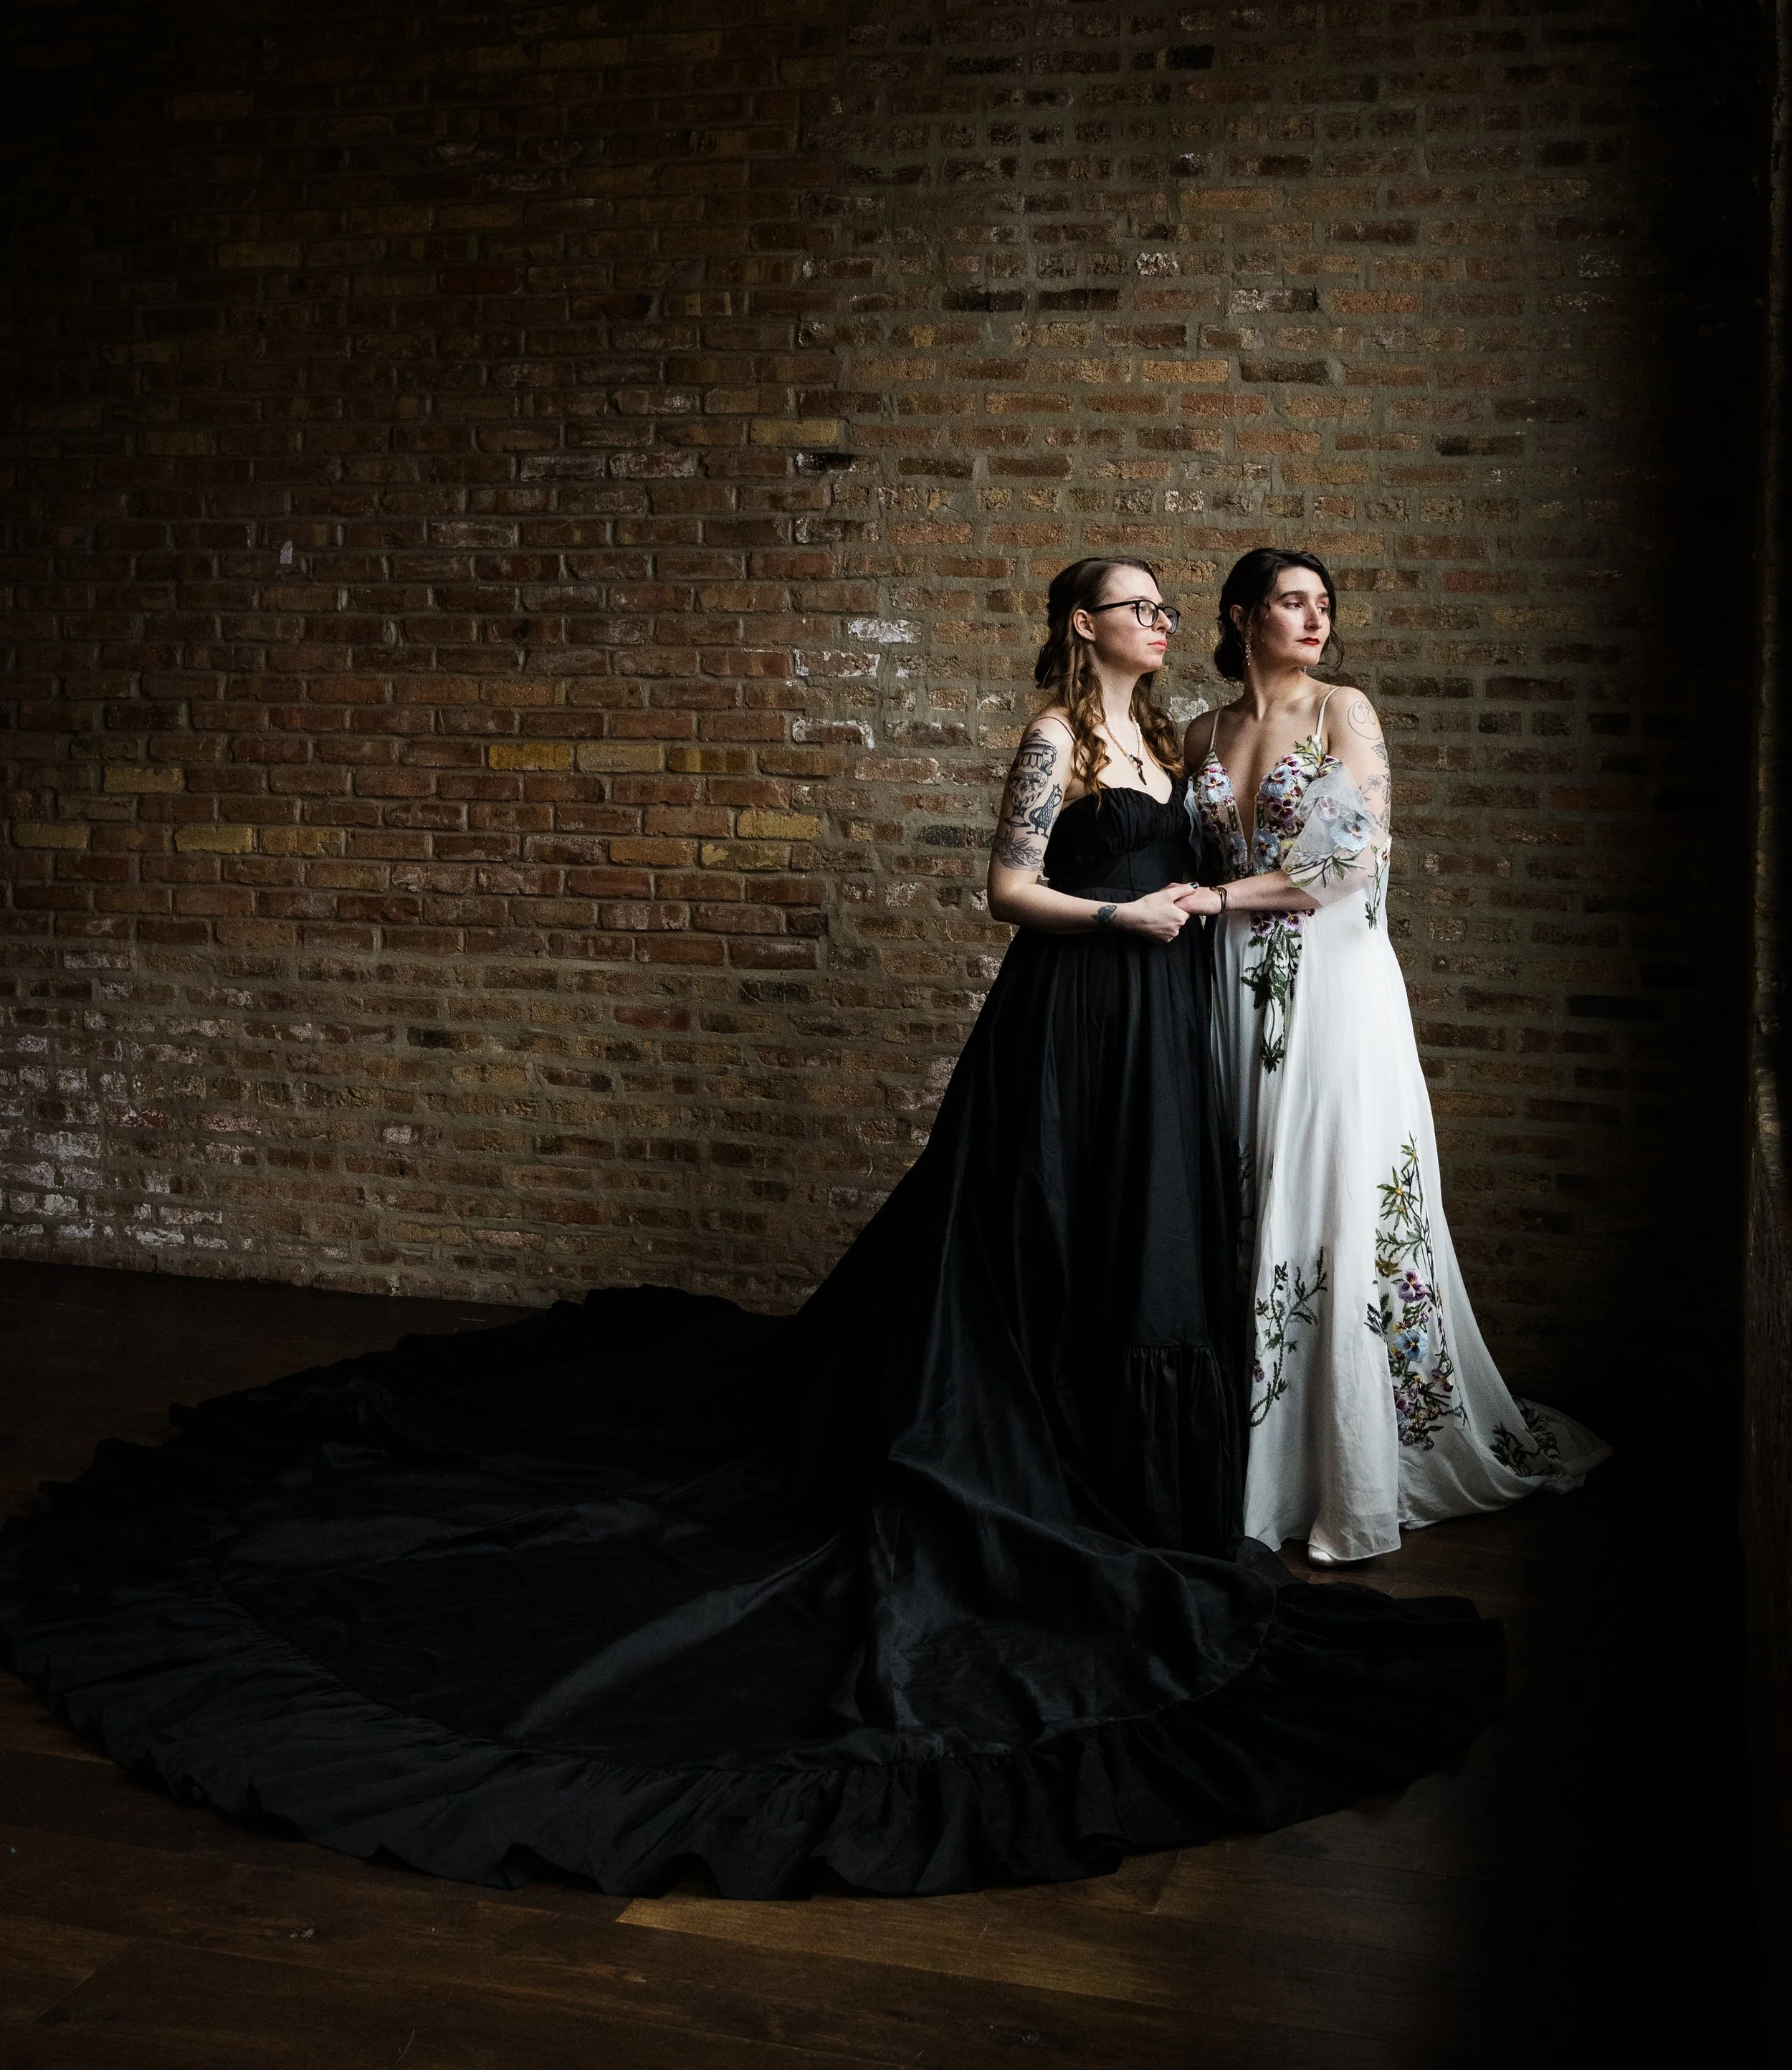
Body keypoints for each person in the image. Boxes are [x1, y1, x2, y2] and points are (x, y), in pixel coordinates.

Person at [0, 556, 1500, 1902]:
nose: (1163, 623)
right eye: (1140, 607)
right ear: (1079, 626)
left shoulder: (1168, 741)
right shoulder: (1051, 737)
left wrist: (1189, 913)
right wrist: (1120, 921)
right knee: (1015, 1234)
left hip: (1158, 1032)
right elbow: (1004, 889)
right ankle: (983, 1427)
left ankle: (1124, 1446)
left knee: (1139, 1245)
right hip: (1070, 1017)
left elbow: (1285, 855)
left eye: (1174, 609)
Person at [1187, 546, 1608, 1566]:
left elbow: (1347, 858)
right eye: (1292, 601)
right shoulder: (1199, 730)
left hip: (1336, 991)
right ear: (1242, 616)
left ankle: (1353, 1473)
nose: (1315, 617)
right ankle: (1240, 1465)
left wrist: (1215, 900)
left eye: (1324, 603)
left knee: (1337, 1191)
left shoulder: (1345, 711)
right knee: (1241, 1194)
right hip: (1227, 996)